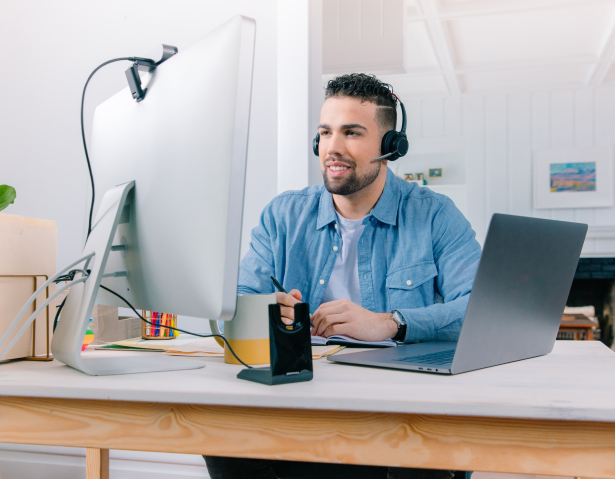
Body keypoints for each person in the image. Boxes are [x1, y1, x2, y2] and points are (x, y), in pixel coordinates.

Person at [204, 73, 481, 479]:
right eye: (325, 133)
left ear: (390, 148)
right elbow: (240, 300)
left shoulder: (435, 215)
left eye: (351, 133)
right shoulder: (283, 216)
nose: (332, 148)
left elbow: (476, 308)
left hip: (397, 410)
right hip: (302, 403)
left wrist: (389, 324)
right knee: (220, 434)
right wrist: (265, 311)